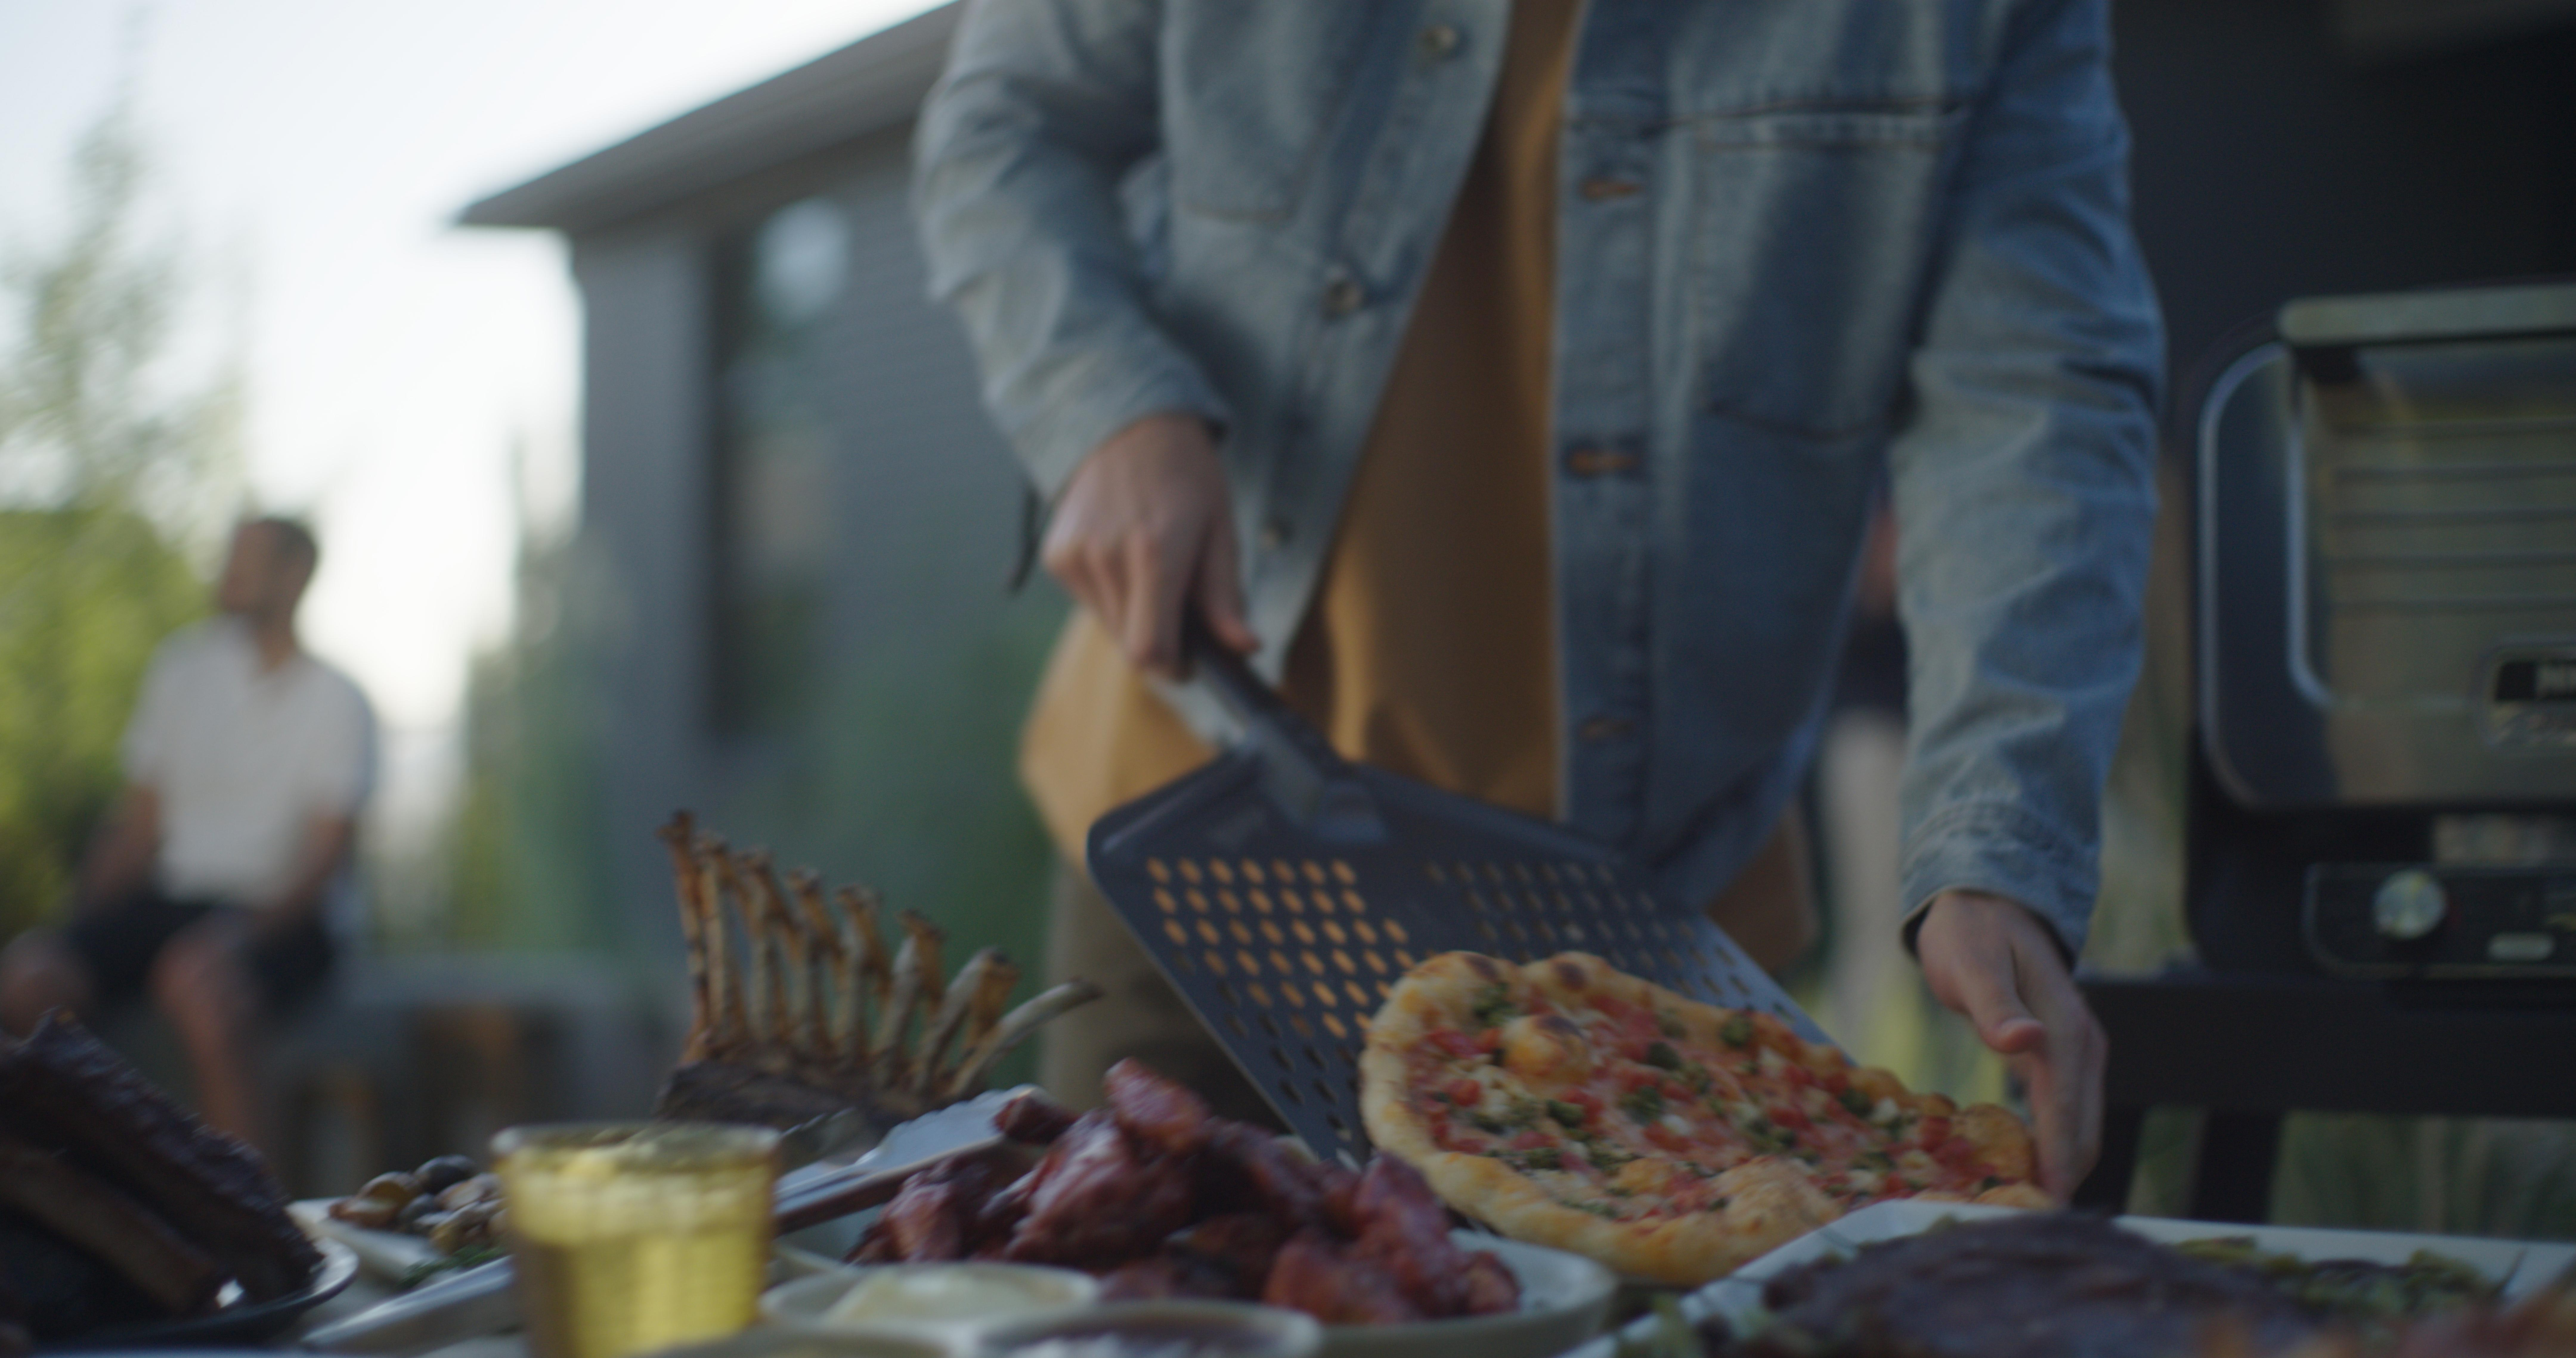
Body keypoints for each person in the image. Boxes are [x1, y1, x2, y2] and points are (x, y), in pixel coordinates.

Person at [914, 0, 2160, 1199]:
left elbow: (2036, 393)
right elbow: (1008, 122)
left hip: (1652, 922)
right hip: (1207, 850)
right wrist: (1110, 408)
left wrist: (1998, 847)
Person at [0, 516, 374, 1152]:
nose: (229, 571)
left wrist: (235, 935)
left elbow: (323, 859)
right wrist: (78, 932)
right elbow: (138, 826)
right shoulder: (181, 671)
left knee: (200, 983)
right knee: (29, 975)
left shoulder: (338, 699)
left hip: (281, 915)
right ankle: (93, 1198)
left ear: (295, 574)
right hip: (174, 901)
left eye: (249, 558)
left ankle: (248, 1219)